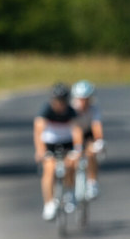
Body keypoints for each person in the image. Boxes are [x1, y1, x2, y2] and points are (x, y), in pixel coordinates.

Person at [34, 82, 84, 221]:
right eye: (57, 101)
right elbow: (38, 129)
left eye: (62, 101)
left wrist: (78, 149)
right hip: (50, 144)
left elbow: (76, 130)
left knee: (70, 165)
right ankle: (49, 203)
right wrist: (40, 150)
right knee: (49, 169)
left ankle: (69, 193)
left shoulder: (70, 111)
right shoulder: (46, 110)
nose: (59, 104)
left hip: (67, 143)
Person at [71, 79, 105, 200]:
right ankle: (70, 189)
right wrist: (78, 146)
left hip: (88, 133)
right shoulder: (71, 109)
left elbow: (96, 125)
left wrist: (99, 140)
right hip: (72, 135)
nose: (83, 102)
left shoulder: (93, 109)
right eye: (80, 98)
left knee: (91, 152)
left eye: (86, 99)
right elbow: (75, 129)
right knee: (71, 160)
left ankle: (92, 182)